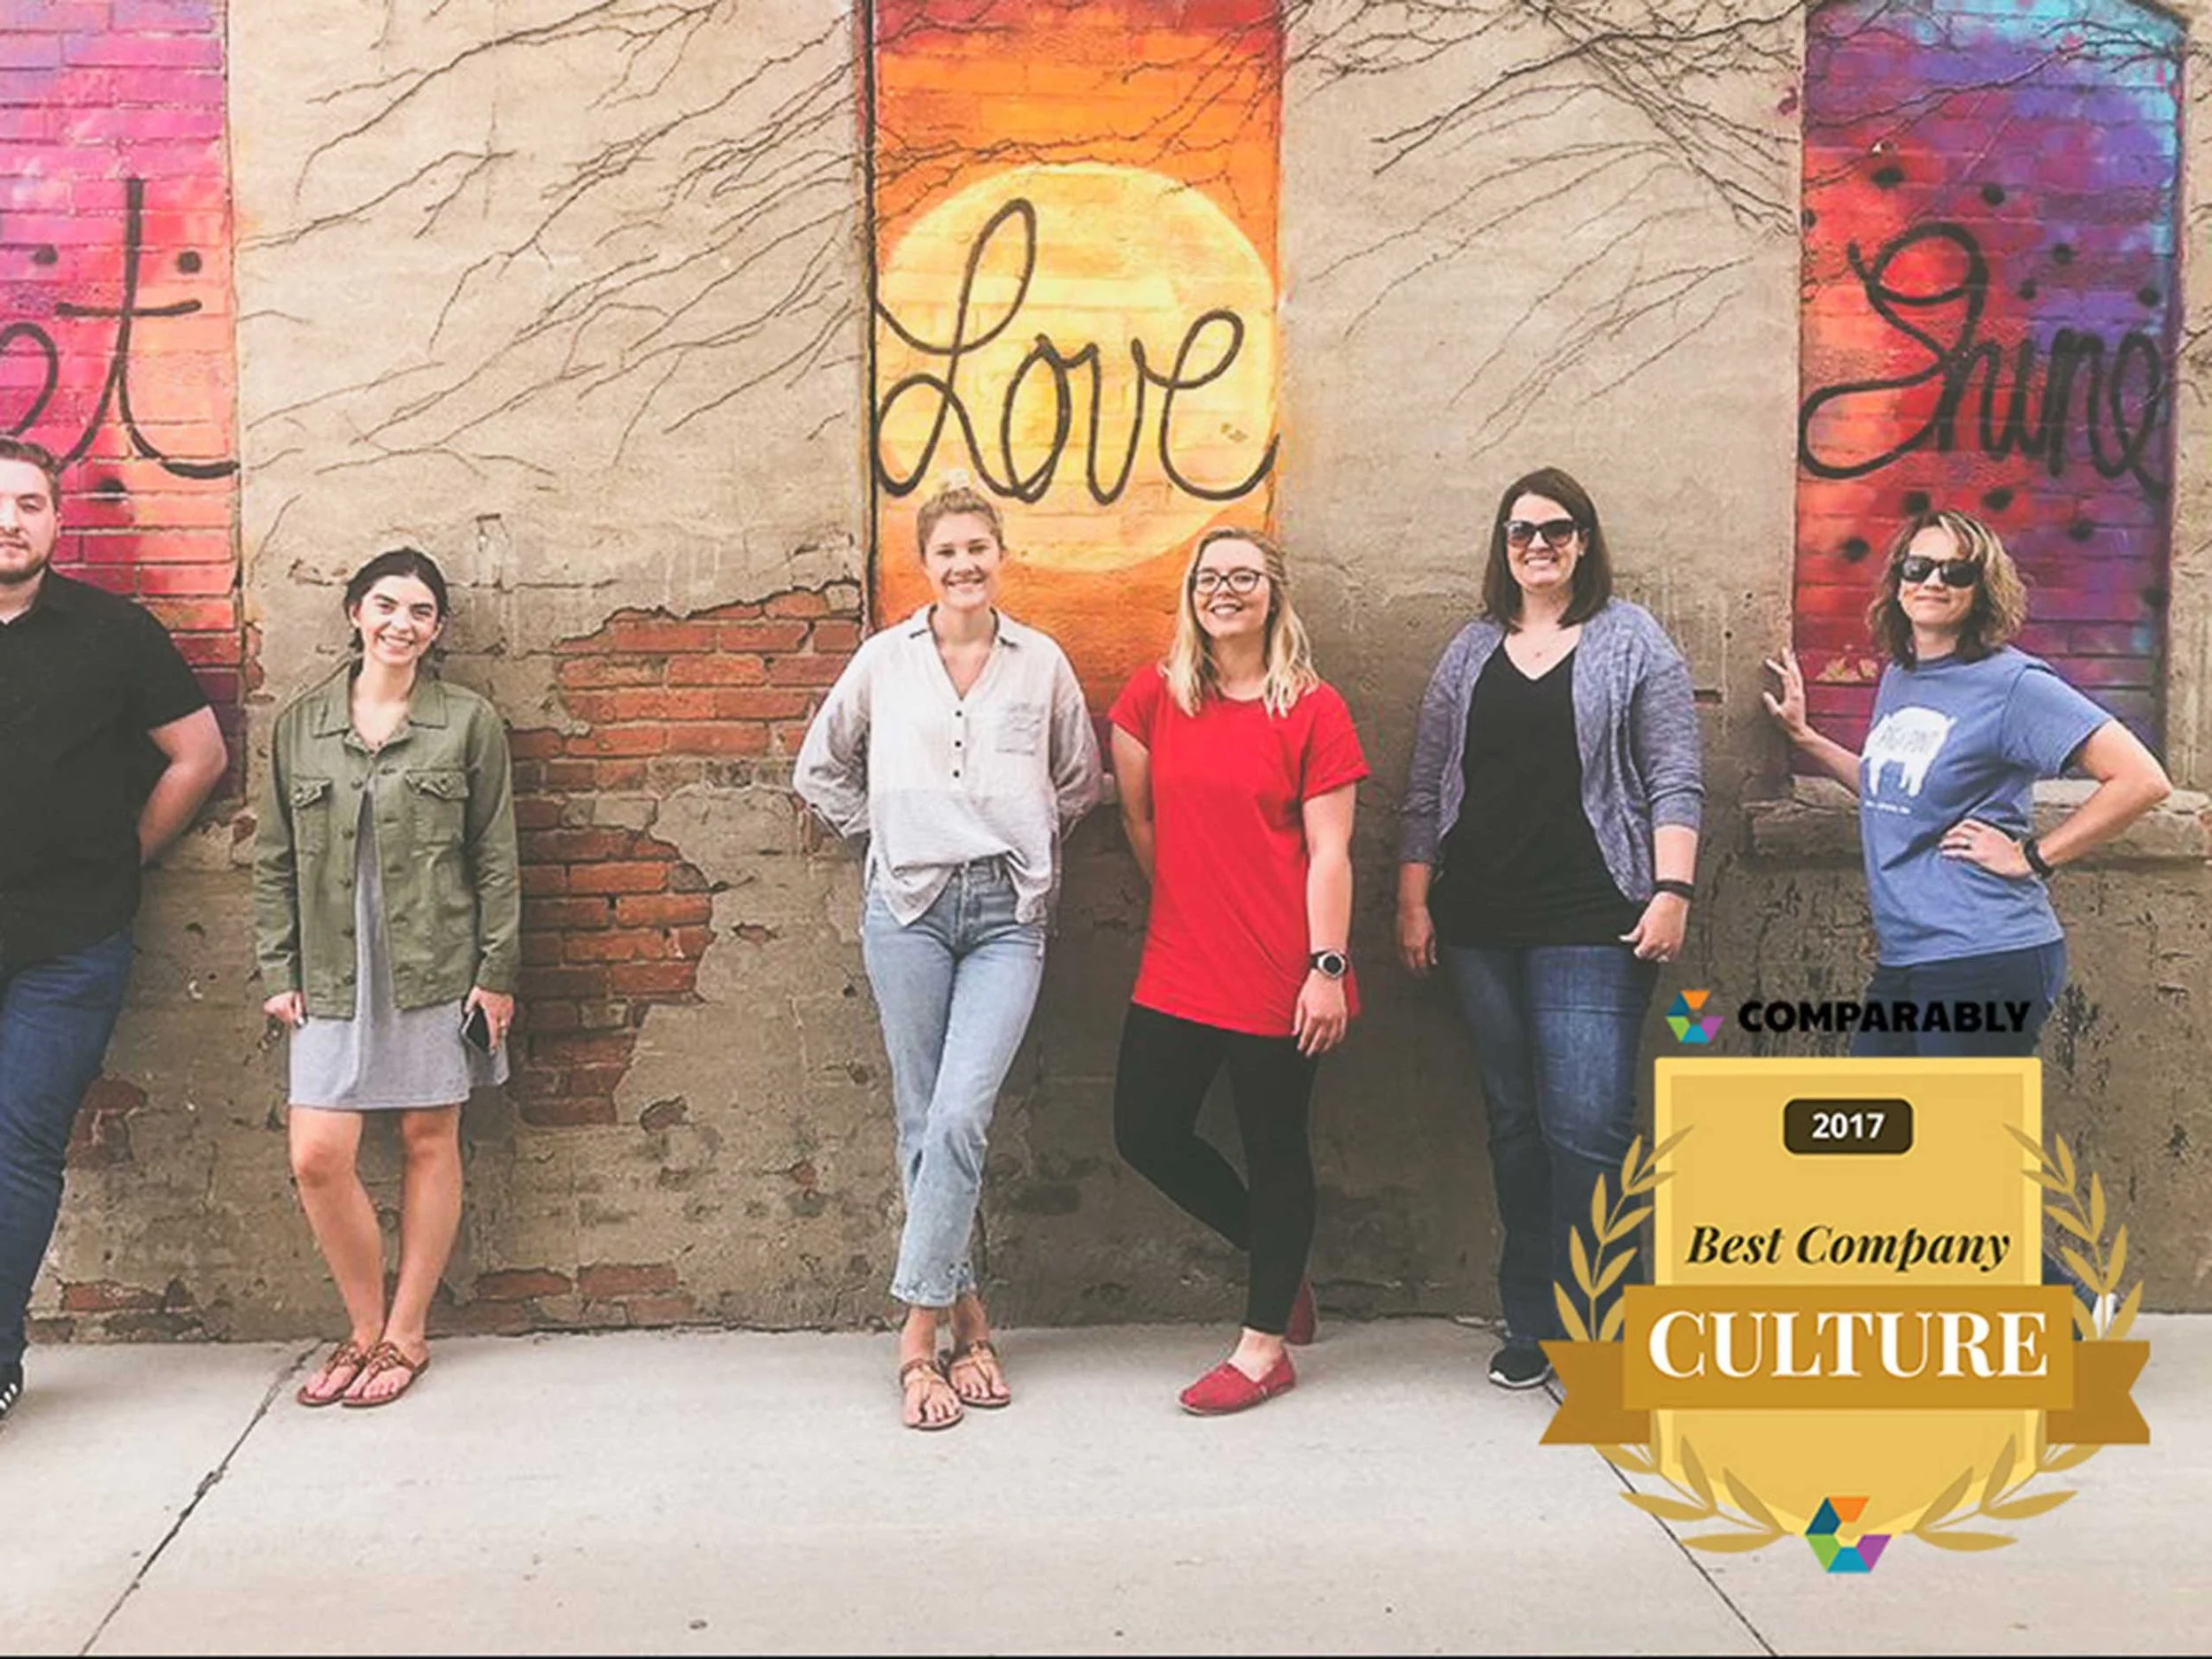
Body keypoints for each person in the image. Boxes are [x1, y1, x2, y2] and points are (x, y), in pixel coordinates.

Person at [795, 477, 1101, 1432]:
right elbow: (819, 768)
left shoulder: (1041, 663)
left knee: (961, 1113)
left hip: (1008, 914)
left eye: (977, 548)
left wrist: (1022, 839)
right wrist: (887, 832)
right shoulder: (885, 662)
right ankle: (971, 1323)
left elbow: (1078, 779)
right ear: (922, 565)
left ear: (1000, 555)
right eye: (946, 552)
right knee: (923, 1120)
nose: (964, 565)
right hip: (908, 909)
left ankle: (914, 1339)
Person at [1396, 466, 1702, 1392]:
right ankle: (1532, 1322)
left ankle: (1605, 1335)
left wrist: (1672, 889)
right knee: (1516, 1126)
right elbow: (1424, 787)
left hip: (1592, 916)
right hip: (1480, 918)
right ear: (1503, 545)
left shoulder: (1631, 639)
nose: (1538, 545)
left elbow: (1674, 773)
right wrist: (1413, 900)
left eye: (1557, 530)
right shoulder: (1469, 649)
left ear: (1584, 541)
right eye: (1521, 531)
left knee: (1588, 1130)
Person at [254, 548, 520, 1409]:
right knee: (317, 1156)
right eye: (385, 605)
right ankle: (362, 1326)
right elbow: (273, 858)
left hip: (435, 961)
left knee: (427, 1138)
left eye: (420, 612)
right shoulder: (300, 725)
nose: (401, 624)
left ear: (436, 630)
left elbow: (495, 855)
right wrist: (277, 966)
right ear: (354, 612)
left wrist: (496, 973)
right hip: (331, 968)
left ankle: (405, 1334)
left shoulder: (468, 722)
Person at [1110, 526, 1366, 1417]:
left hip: (1280, 969)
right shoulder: (1153, 695)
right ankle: (1277, 1263)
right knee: (1144, 1130)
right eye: (1209, 577)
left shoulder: (1314, 709)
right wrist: (1189, 900)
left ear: (1273, 593)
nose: (1224, 590)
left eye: (1244, 577)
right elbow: (1138, 819)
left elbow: (1331, 851)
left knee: (1274, 1145)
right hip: (1180, 958)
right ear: (1190, 593)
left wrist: (1325, 967)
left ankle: (1264, 1350)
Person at [0, 437, 229, 1424]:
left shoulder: (113, 632)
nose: (9, 521)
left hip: (70, 941)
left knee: (16, 1146)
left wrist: (126, 854)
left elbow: (199, 753)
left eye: (28, 503)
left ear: (59, 519)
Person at [1762, 509, 2171, 1058]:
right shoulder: (1903, 675)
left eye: (1956, 572)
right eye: (1918, 567)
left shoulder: (2014, 684)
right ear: (1899, 581)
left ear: (1983, 590)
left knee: (1957, 1119)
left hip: (1983, 956)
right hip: (1909, 956)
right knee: (1876, 1112)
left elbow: (2142, 779)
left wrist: (2032, 856)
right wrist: (1806, 738)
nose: (1933, 581)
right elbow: (1893, 791)